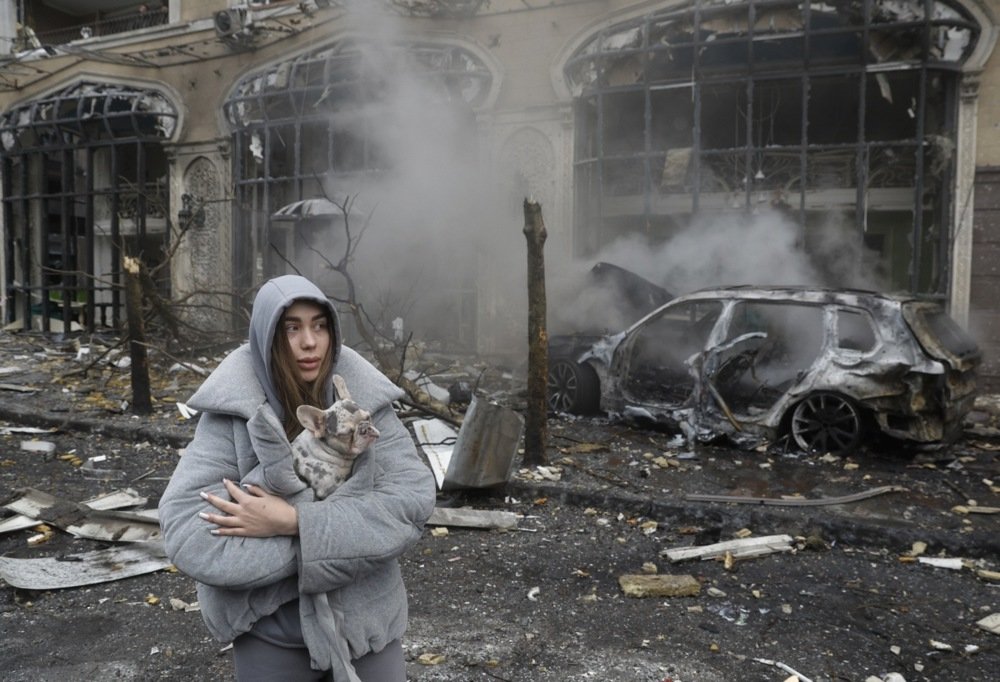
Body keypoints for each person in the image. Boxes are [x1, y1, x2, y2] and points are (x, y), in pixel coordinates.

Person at [159, 274, 436, 681]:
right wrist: (347, 540)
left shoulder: (365, 405)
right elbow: (189, 535)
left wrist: (292, 523)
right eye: (292, 328)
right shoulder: (232, 411)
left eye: (319, 325)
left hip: (366, 629)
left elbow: (409, 504)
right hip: (270, 634)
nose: (310, 342)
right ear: (268, 336)